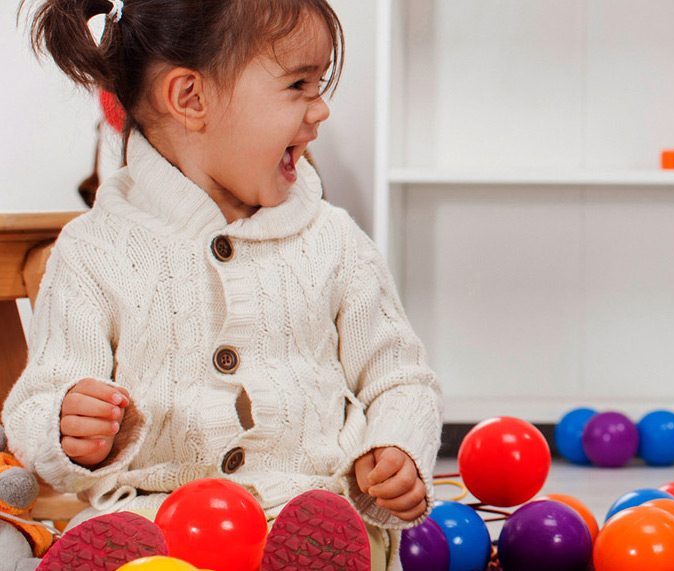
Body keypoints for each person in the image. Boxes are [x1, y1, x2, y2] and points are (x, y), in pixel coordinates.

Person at [4, 0, 443, 569]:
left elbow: (399, 376)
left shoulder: (333, 239)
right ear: (191, 98)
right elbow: (36, 403)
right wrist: (68, 429)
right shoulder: (92, 250)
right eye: (299, 85)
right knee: (115, 540)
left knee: (337, 530)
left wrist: (395, 445)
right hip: (157, 519)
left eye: (319, 85)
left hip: (301, 514)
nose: (321, 109)